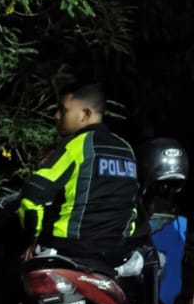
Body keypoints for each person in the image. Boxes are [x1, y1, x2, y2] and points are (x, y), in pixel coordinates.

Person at [9, 82, 139, 267]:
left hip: (69, 250)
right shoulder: (126, 149)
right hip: (115, 254)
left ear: (86, 114)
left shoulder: (76, 146)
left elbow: (34, 194)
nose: (56, 115)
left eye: (63, 110)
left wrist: (32, 240)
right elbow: (131, 205)